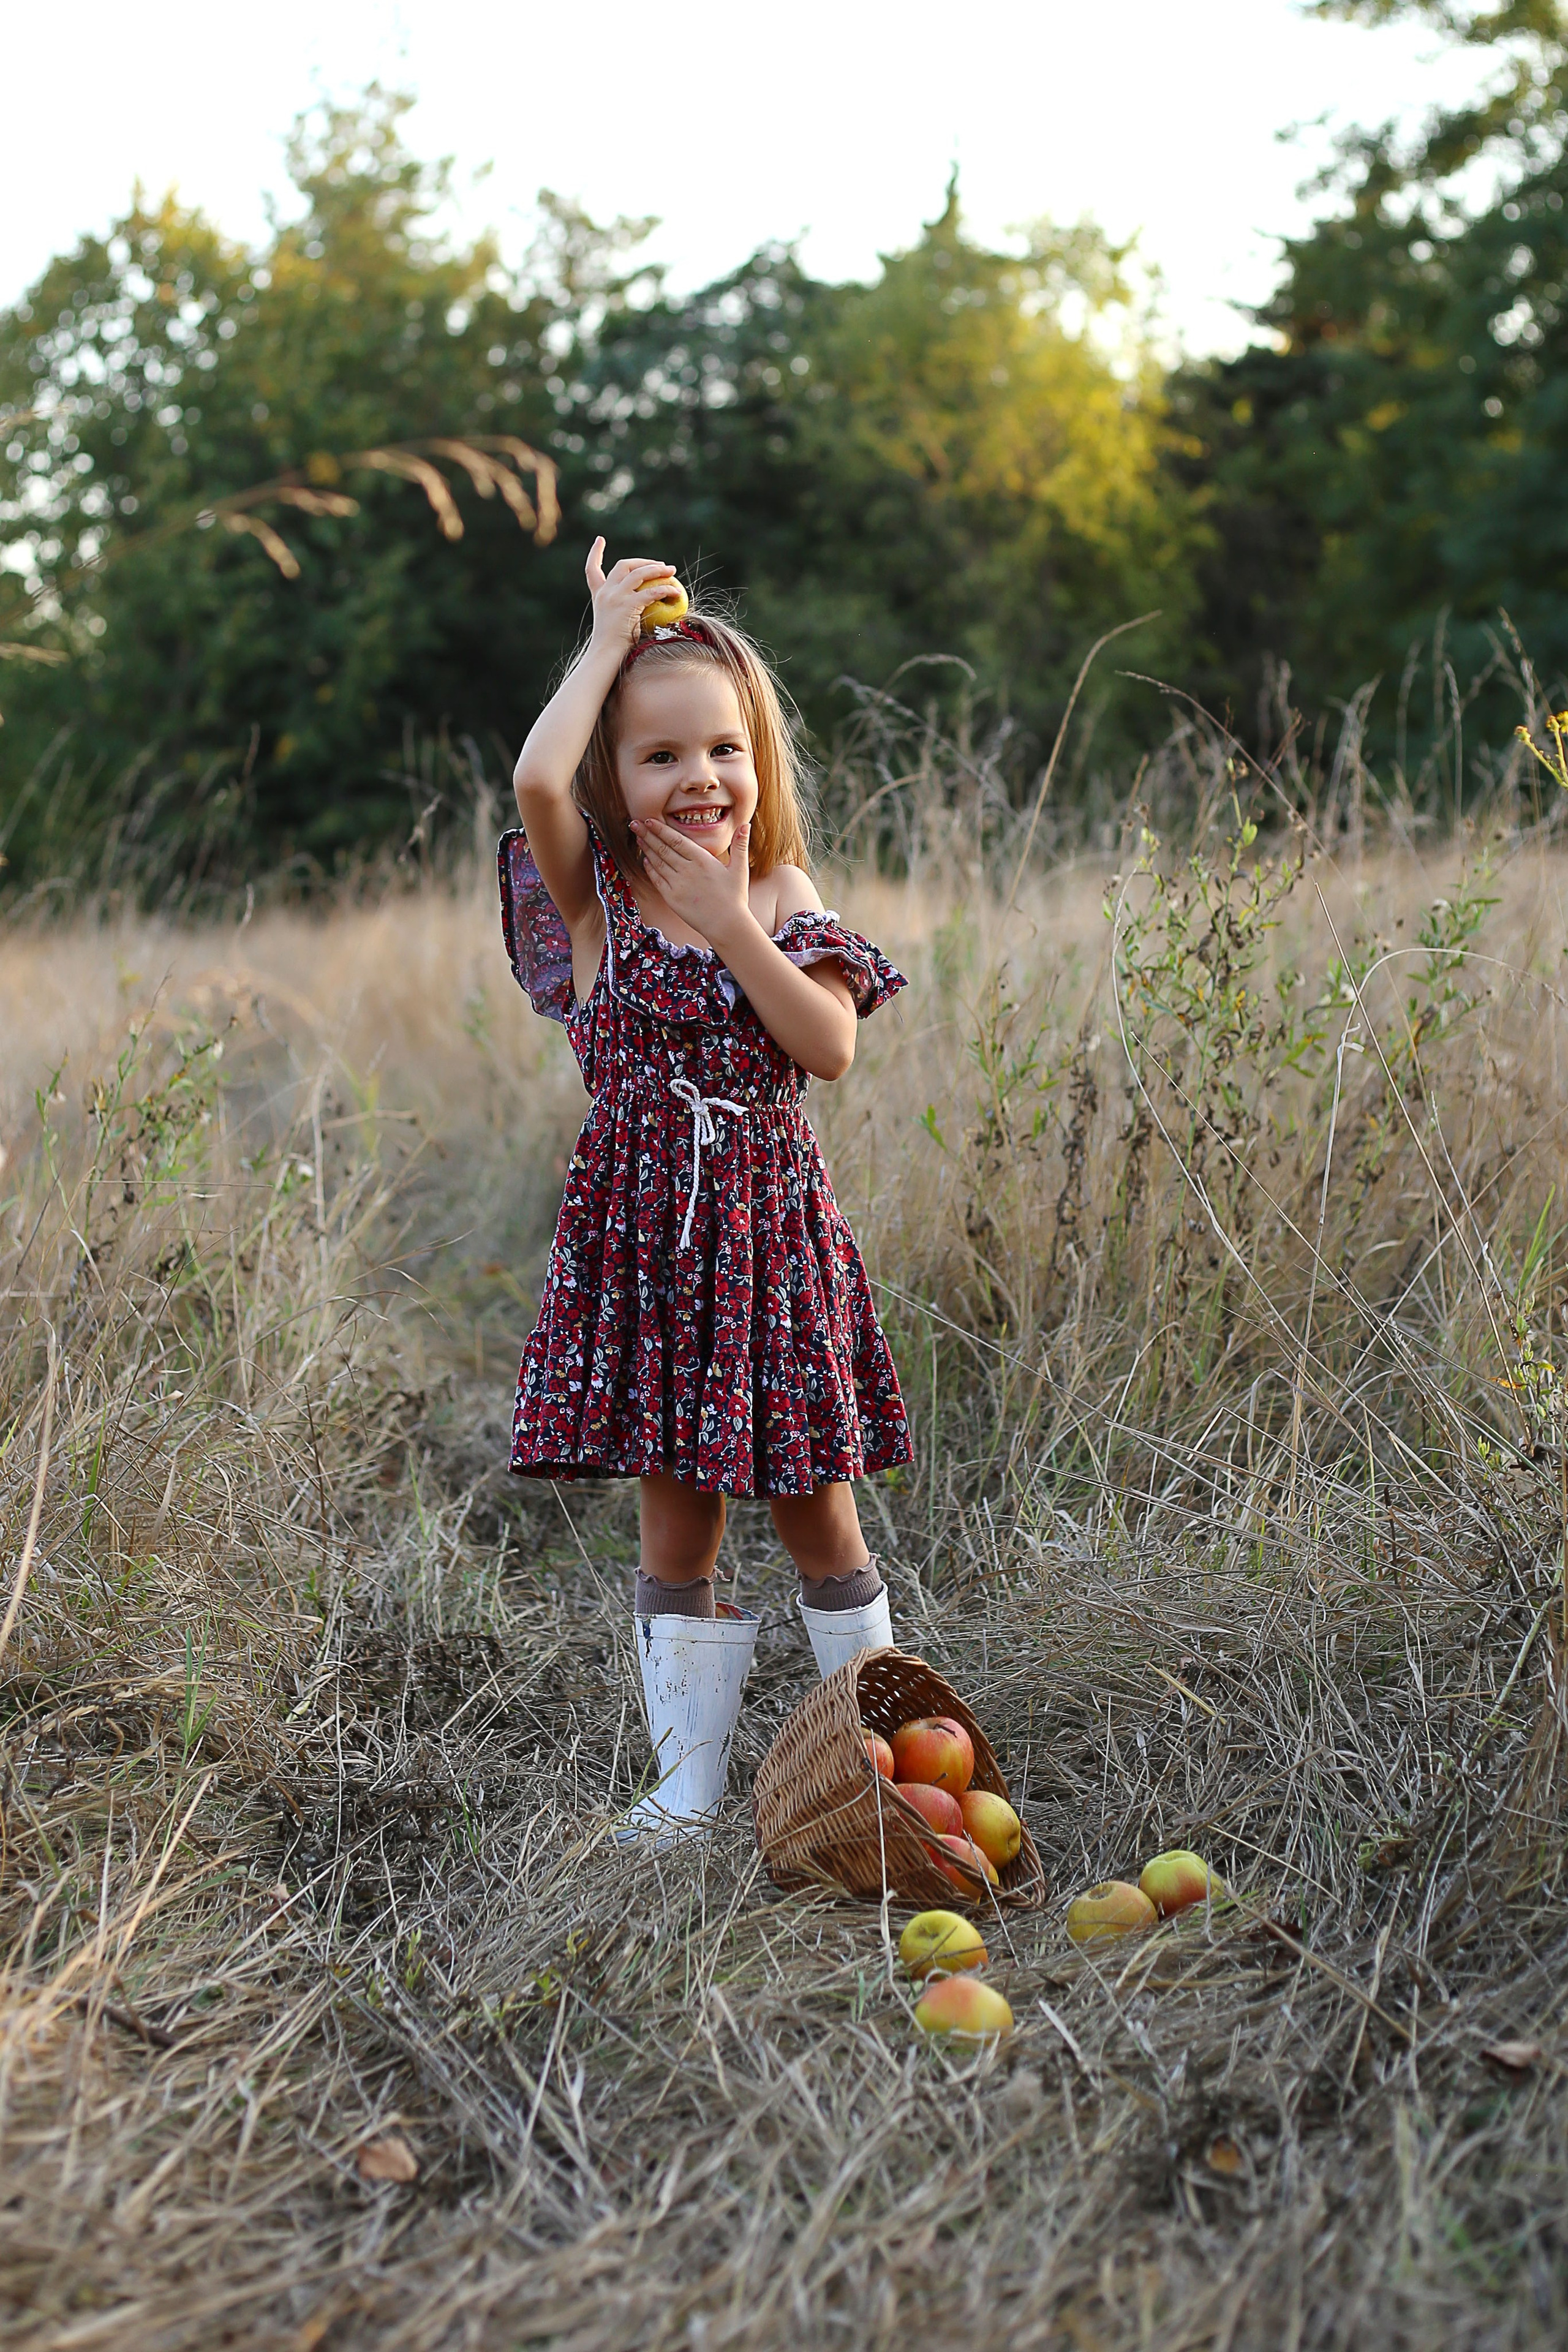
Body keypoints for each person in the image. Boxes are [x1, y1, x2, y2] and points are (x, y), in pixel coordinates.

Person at [500, 541, 913, 1844]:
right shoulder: (594, 903)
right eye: (659, 757)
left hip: (765, 1246)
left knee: (816, 1511)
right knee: (675, 1528)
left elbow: (827, 1047)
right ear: (614, 786)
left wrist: (735, 924)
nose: (698, 780)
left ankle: (877, 1757)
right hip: (650, 1253)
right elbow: (528, 776)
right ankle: (688, 1789)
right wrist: (605, 643)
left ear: (759, 762)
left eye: (722, 751)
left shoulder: (783, 896)